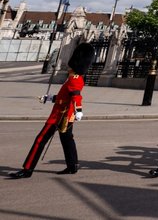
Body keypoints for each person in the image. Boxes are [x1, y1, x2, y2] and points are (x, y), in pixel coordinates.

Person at [9, 42, 95, 179]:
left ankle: (27, 169)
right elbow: (64, 97)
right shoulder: (73, 78)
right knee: (67, 140)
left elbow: (76, 96)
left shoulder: (74, 79)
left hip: (60, 115)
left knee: (40, 140)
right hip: (65, 113)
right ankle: (72, 166)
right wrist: (50, 98)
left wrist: (79, 110)